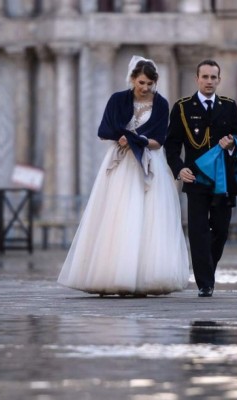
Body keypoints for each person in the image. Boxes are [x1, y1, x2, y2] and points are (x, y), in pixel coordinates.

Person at [57, 56, 190, 296]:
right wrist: (123, 138)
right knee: (118, 215)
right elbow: (105, 129)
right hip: (121, 163)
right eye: (141, 83)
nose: (145, 88)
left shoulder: (160, 104)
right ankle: (114, 273)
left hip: (148, 162)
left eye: (150, 83)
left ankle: (146, 276)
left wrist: (135, 139)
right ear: (132, 80)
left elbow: (159, 139)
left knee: (149, 218)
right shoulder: (118, 100)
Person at [165, 59, 237, 298]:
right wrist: (179, 169)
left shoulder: (229, 106)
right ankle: (205, 283)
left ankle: (207, 269)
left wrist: (233, 143)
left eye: (213, 77)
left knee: (221, 230)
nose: (209, 81)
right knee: (198, 230)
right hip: (196, 179)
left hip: (223, 180)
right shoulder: (182, 108)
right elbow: (172, 145)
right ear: (197, 79)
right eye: (205, 77)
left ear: (219, 80)